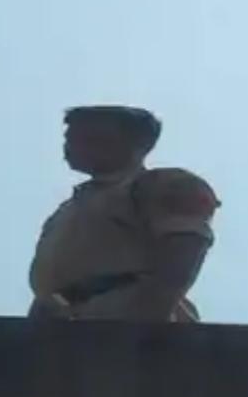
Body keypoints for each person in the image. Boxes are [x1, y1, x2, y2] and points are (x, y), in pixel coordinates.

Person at [27, 106, 219, 323]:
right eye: (70, 137)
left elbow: (183, 253)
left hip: (126, 324)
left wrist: (147, 322)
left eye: (90, 136)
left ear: (136, 143)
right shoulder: (68, 210)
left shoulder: (162, 185)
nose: (71, 144)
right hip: (64, 328)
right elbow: (52, 284)